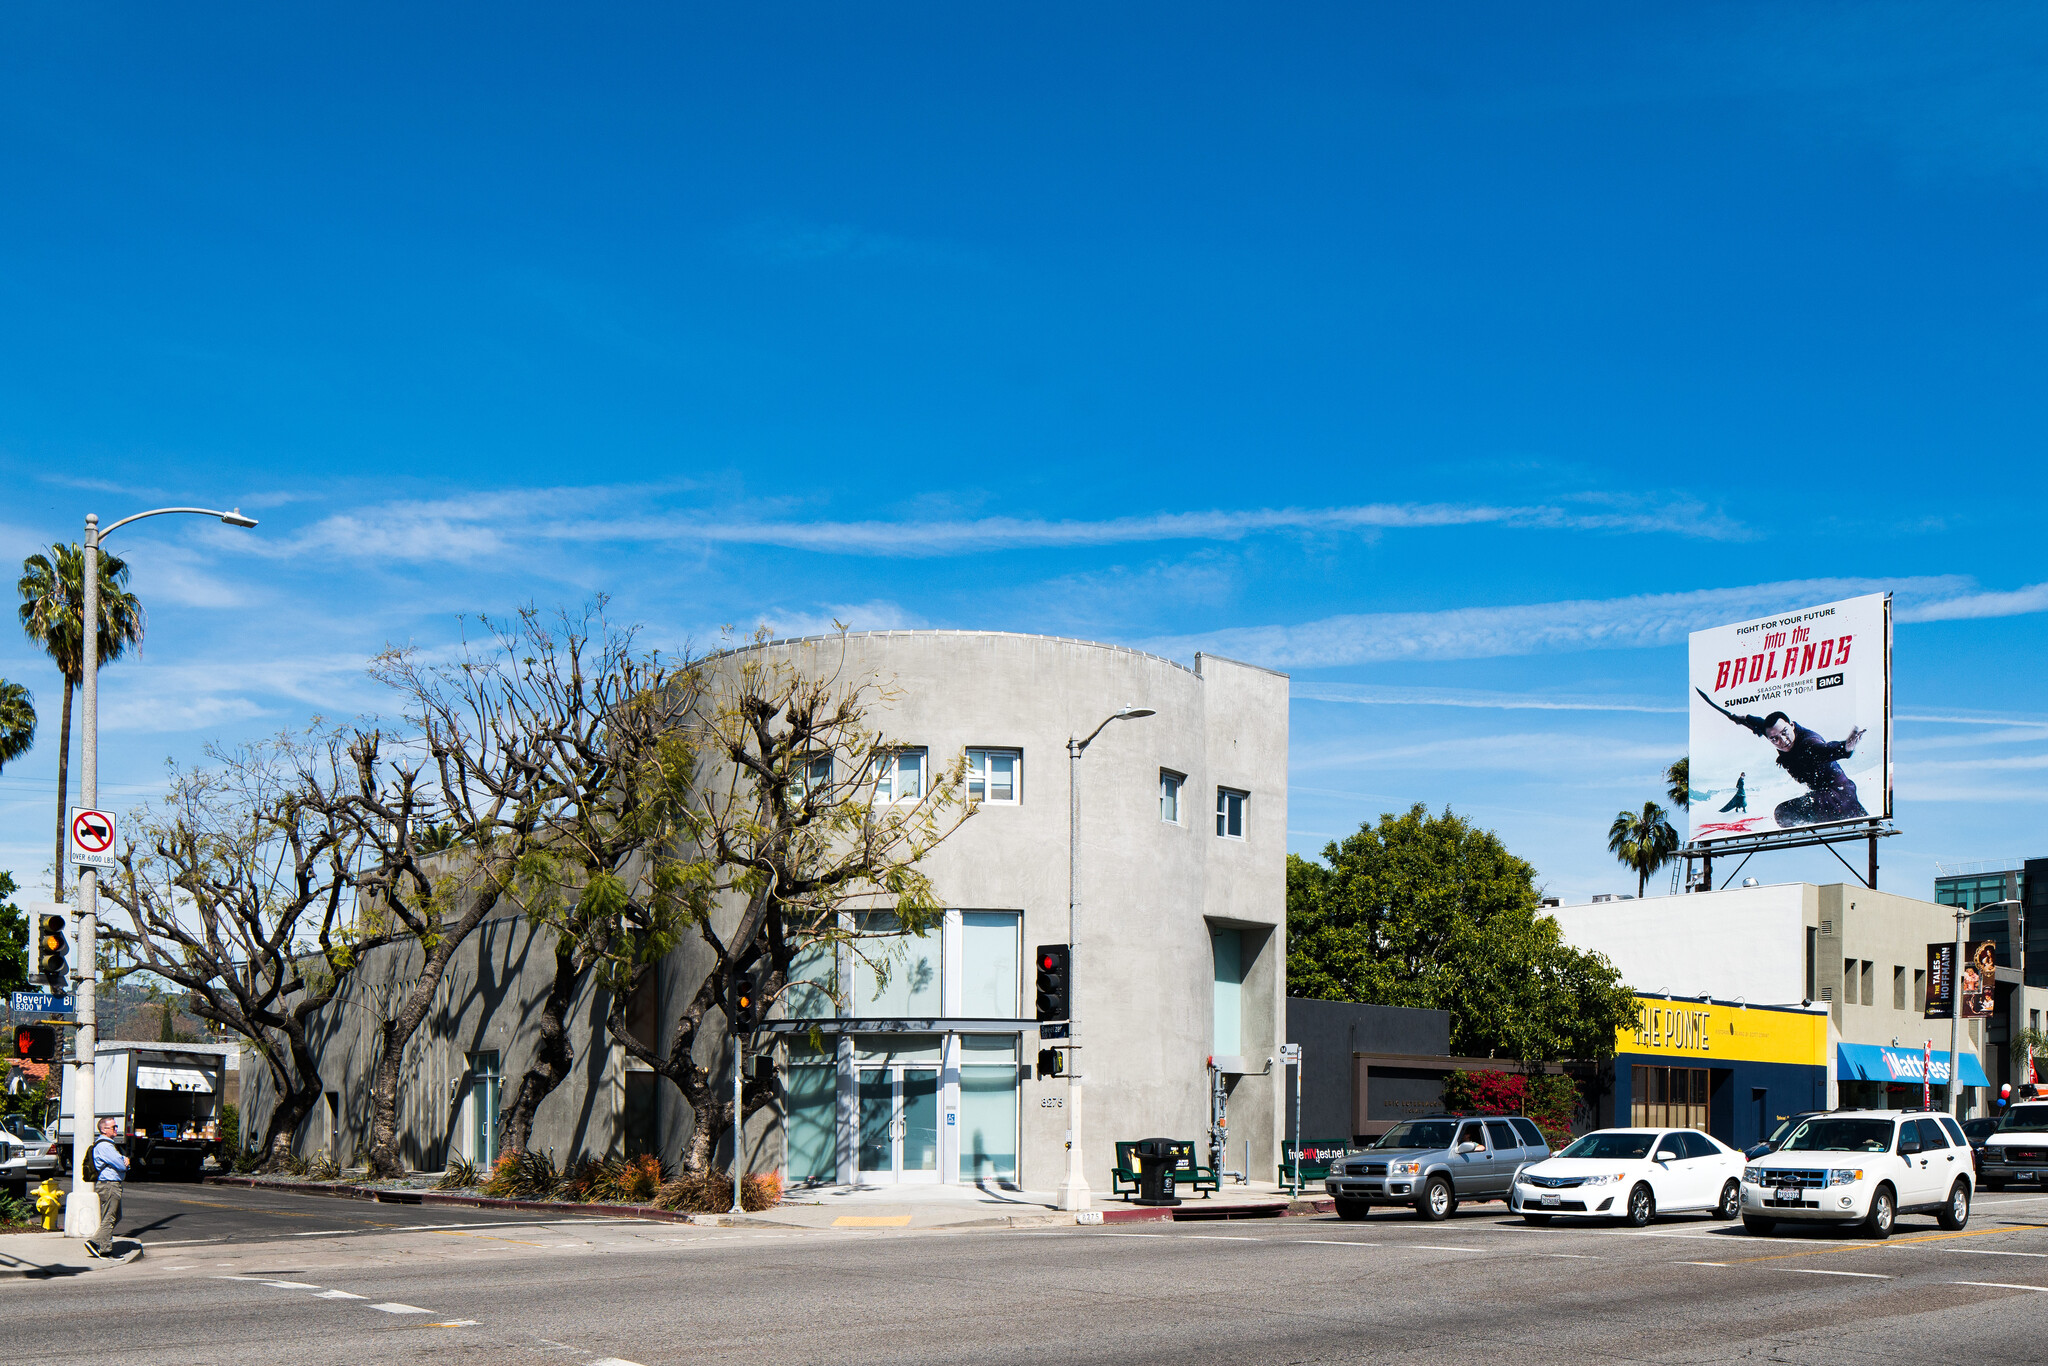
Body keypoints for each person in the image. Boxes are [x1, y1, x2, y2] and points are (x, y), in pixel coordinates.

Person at [1696, 689, 1867, 828]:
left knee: (1783, 813)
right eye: (1774, 739)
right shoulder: (1772, 732)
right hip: (1825, 796)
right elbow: (1761, 724)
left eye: (1785, 733)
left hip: (1838, 797)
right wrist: (1742, 719)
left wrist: (1845, 747)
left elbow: (1825, 749)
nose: (1783, 741)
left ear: (1791, 725)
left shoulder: (1808, 743)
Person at [83, 1116, 137, 1261]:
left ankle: (101, 1246)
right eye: (113, 1127)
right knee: (110, 1217)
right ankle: (98, 1245)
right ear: (104, 1129)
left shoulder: (107, 1144)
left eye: (115, 1126)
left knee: (115, 1216)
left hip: (111, 1184)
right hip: (109, 1184)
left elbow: (119, 1162)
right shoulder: (105, 1146)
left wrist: (124, 1161)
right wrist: (124, 1162)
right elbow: (120, 1165)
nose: (116, 1129)